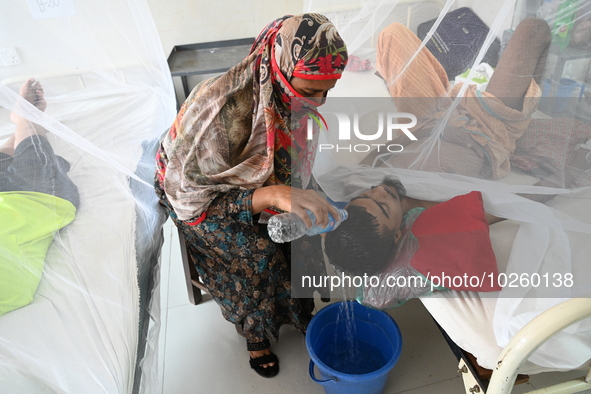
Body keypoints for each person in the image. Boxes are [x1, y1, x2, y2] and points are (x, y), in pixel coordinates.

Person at [154, 14, 348, 377]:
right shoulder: (220, 110)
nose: (319, 102)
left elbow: (293, 166)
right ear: (279, 66)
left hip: (252, 186)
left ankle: (298, 312)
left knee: (302, 236)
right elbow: (186, 197)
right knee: (256, 254)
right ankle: (256, 335)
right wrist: (270, 194)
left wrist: (303, 197)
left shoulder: (287, 101)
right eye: (309, 91)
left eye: (328, 90)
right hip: (200, 200)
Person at [362, 17, 553, 180]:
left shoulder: (360, 186)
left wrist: (438, 129)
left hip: (430, 121)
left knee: (392, 34)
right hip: (487, 129)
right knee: (534, 28)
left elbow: (376, 156)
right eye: (382, 205)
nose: (379, 195)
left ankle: (404, 87)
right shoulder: (421, 211)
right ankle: (523, 110)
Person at [0, 78, 79, 315]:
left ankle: (25, 121)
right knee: (34, 156)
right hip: (34, 203)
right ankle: (25, 120)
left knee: (20, 155)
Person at [323, 175, 503, 277]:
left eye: (364, 196)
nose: (379, 189)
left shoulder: (353, 180)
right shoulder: (440, 211)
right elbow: (506, 209)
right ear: (397, 234)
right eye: (384, 207)